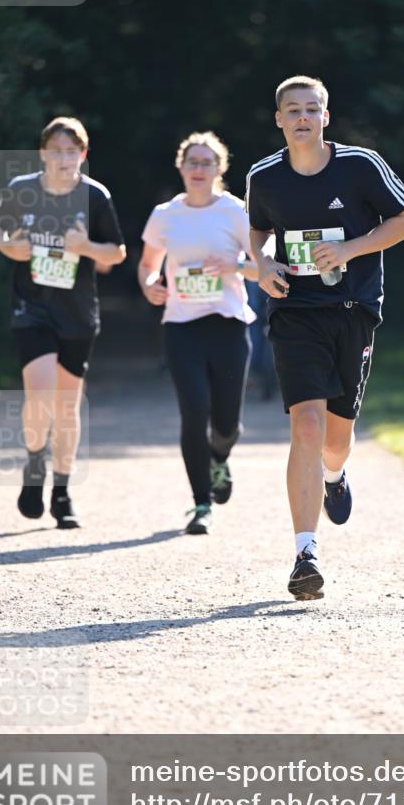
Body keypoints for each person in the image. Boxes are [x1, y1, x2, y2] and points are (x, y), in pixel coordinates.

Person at [246, 75, 404, 600]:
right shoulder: (264, 176)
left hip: (353, 310)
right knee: (307, 424)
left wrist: (349, 250)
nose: (302, 117)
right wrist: (263, 262)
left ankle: (335, 475)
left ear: (326, 116)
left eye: (311, 108)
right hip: (295, 312)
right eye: (292, 110)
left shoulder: (360, 165)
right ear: (278, 119)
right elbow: (256, 231)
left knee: (336, 439)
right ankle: (305, 554)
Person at [0, 116, 126, 528]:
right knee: (40, 391)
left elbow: (116, 252)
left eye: (73, 151)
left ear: (83, 155)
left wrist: (86, 246)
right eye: (56, 151)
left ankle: (62, 492)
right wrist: (10, 248)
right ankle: (34, 465)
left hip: (78, 314)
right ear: (43, 153)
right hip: (31, 308)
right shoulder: (22, 190)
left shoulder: (94, 196)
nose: (65, 159)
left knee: (66, 406)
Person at [138, 131, 257, 535]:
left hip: (228, 324)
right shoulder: (165, 214)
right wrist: (150, 283)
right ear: (181, 166)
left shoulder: (237, 212)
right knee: (194, 413)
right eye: (193, 162)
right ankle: (201, 503)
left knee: (228, 424)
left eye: (208, 163)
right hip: (181, 327)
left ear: (220, 169)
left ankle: (219, 457)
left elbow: (266, 266)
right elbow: (148, 264)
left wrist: (234, 266)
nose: (199, 169)